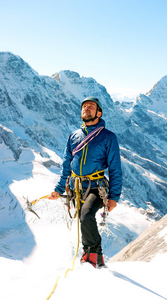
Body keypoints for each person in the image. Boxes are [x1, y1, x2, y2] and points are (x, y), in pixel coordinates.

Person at [49, 96, 122, 268]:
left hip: (97, 187)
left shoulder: (108, 137)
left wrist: (114, 197)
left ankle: (95, 256)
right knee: (83, 219)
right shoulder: (74, 136)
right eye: (84, 106)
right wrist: (58, 189)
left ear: (99, 112)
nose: (86, 108)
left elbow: (115, 168)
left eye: (91, 106)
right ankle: (88, 255)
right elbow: (67, 166)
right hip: (77, 188)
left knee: (86, 215)